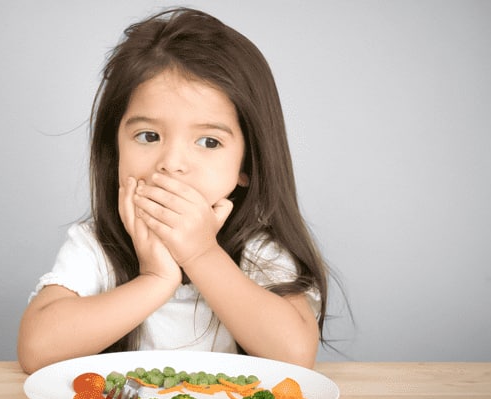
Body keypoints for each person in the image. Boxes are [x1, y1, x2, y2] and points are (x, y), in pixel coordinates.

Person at [18, 7, 330, 373]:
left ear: (247, 164)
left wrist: (201, 253)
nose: (172, 163)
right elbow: (37, 349)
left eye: (208, 142)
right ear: (113, 149)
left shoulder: (259, 249)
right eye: (148, 136)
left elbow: (295, 354)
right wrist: (155, 280)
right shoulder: (96, 245)